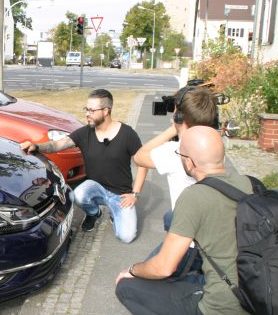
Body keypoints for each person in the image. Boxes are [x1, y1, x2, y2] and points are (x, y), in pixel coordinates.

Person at [115, 126, 252, 314]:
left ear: (189, 162)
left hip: (223, 305)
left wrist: (132, 270)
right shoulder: (250, 183)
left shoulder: (194, 196)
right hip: (255, 289)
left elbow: (164, 267)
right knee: (170, 218)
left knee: (127, 286)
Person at [20, 89, 147, 243]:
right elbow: (58, 144)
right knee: (78, 195)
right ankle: (94, 213)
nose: (87, 113)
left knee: (126, 237)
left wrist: (135, 194)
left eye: (92, 110)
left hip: (121, 194)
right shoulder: (84, 133)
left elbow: (143, 163)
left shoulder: (127, 134)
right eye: (86, 109)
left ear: (106, 111)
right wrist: (37, 147)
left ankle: (115, 214)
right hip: (95, 187)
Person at [134, 86, 218, 279]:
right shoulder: (214, 144)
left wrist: (173, 128)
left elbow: (139, 157)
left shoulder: (174, 152)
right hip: (214, 237)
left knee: (137, 277)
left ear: (179, 117)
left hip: (190, 246)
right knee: (169, 217)